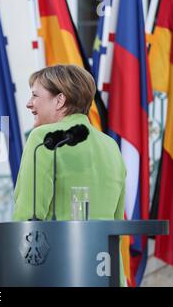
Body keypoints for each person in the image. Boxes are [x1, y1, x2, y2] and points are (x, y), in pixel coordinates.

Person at [13, 64, 126, 221]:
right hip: (104, 246)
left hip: (57, 245)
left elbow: (28, 215)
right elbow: (117, 222)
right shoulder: (111, 145)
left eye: (35, 95)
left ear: (60, 100)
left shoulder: (43, 137)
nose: (29, 103)